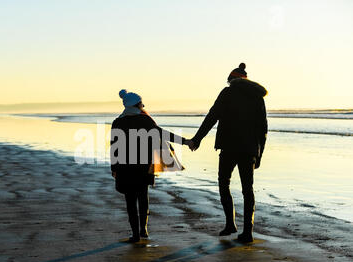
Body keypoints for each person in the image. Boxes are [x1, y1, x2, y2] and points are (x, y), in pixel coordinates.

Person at [189, 63, 268, 243]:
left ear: (231, 80)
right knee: (248, 190)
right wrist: (259, 154)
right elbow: (263, 128)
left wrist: (197, 139)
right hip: (249, 150)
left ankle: (230, 224)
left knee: (224, 183)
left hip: (229, 147)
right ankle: (248, 232)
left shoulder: (227, 93)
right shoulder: (257, 97)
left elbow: (212, 117)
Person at [111, 90, 191, 243]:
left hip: (124, 167)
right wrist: (186, 142)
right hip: (143, 165)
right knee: (142, 196)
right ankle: (144, 229)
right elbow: (163, 134)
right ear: (137, 105)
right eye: (141, 104)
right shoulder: (145, 121)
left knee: (130, 200)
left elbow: (114, 147)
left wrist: (113, 168)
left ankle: (135, 234)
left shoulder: (118, 122)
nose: (143, 106)